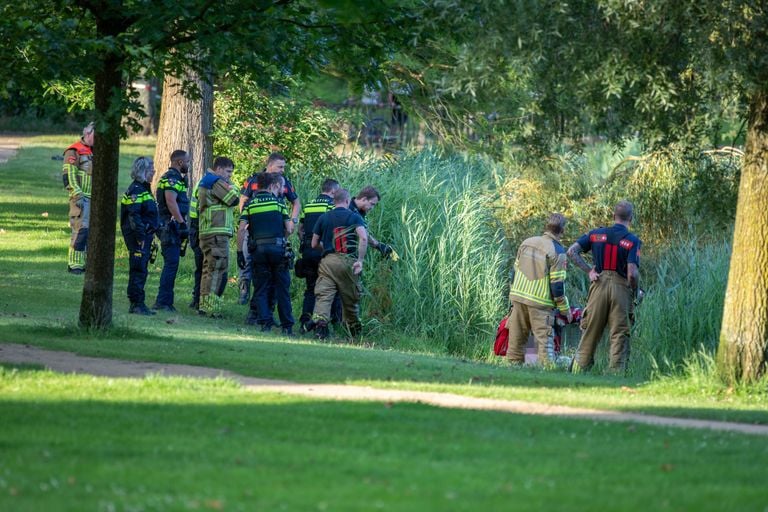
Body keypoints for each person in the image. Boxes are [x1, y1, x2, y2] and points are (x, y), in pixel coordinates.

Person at [567, 200, 642, 372]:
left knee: (590, 329)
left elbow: (572, 251)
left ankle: (578, 370)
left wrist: (589, 271)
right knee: (619, 333)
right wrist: (635, 290)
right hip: (621, 288)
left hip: (598, 284)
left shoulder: (595, 235)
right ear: (631, 218)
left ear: (613, 216)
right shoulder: (632, 241)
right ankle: (615, 374)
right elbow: (632, 273)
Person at [506, 213, 572, 366]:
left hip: (518, 297)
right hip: (540, 304)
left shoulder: (526, 242)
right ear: (562, 231)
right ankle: (547, 371)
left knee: (516, 342)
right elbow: (557, 286)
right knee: (544, 343)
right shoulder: (558, 252)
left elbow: (514, 273)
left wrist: (513, 296)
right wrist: (565, 310)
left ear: (546, 227)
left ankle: (512, 369)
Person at [237, 152, 301, 305]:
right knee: (246, 262)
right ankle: (244, 294)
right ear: (270, 165)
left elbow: (296, 202)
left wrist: (292, 221)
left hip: (275, 230)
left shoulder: (284, 182)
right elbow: (243, 200)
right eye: (280, 166)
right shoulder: (253, 179)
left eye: (283, 167)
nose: (282, 170)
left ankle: (265, 303)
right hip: (253, 228)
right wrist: (245, 220)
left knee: (271, 268)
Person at [237, 172, 295, 333]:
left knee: (261, 287)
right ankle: (287, 327)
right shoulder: (278, 204)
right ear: (271, 186)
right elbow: (289, 228)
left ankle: (265, 323)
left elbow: (242, 229)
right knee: (282, 288)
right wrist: (283, 237)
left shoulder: (250, 204)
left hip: (258, 251)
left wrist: (239, 252)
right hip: (278, 249)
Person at [309, 189, 368, 340]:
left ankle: (320, 327)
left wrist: (328, 249)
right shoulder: (355, 217)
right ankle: (353, 331)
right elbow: (364, 238)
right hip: (348, 261)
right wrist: (359, 261)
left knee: (324, 295)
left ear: (333, 201)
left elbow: (314, 243)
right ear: (348, 201)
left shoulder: (324, 217)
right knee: (350, 298)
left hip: (328, 262)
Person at [297, 178, 342, 332]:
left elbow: (300, 229)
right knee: (329, 290)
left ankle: (304, 322)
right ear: (333, 191)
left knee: (310, 289)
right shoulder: (331, 206)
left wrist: (307, 242)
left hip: (309, 250)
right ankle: (326, 325)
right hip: (324, 251)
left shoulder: (309, 205)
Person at [197, 157, 239, 317]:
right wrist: (233, 187)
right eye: (228, 172)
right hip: (216, 233)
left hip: (209, 232)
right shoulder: (215, 181)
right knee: (217, 270)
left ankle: (204, 305)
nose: (229, 176)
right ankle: (211, 308)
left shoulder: (206, 180)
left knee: (209, 270)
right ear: (219, 169)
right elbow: (233, 199)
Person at [119, 157, 159, 315]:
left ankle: (139, 303)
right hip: (138, 238)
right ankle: (136, 304)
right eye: (151, 169)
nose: (154, 172)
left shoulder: (144, 189)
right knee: (138, 269)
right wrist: (141, 238)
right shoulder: (136, 190)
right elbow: (133, 216)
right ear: (143, 171)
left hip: (144, 236)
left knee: (142, 269)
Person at [153, 150, 191, 312]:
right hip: (169, 226)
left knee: (172, 264)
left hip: (169, 225)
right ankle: (163, 301)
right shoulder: (171, 178)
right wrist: (182, 223)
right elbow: (170, 201)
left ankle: (166, 301)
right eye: (187, 162)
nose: (189, 165)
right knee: (171, 264)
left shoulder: (174, 178)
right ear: (180, 162)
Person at [62, 122, 94, 274]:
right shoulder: (74, 150)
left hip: (96, 200)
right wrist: (77, 194)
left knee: (93, 233)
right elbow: (69, 175)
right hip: (82, 198)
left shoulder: (97, 151)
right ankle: (75, 265)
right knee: (81, 231)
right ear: (87, 134)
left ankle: (88, 264)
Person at [349, 186, 393, 259]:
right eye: (372, 204)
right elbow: (363, 235)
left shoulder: (361, 211)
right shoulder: (350, 210)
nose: (372, 208)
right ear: (364, 199)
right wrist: (378, 245)